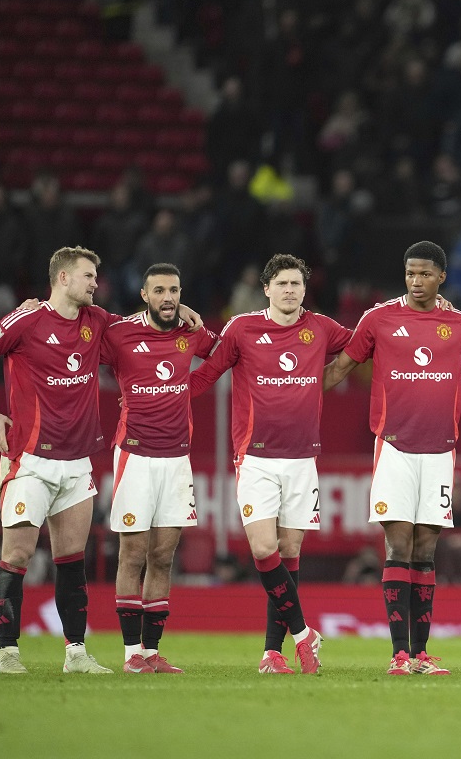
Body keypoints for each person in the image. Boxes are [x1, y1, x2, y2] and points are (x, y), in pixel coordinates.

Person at [0, 248, 144, 673]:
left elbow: (141, 330)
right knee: (18, 555)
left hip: (77, 461)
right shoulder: (26, 320)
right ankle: (8, 654)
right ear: (63, 277)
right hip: (30, 460)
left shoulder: (96, 322)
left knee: (71, 561)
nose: (96, 284)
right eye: (88, 276)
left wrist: (178, 309)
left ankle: (76, 654)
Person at [320, 241, 461, 675]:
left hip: (440, 451)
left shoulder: (459, 324)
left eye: (424, 274)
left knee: (426, 547)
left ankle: (420, 654)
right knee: (399, 544)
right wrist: (288, 391)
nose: (416, 282)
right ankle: (399, 654)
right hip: (395, 447)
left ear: (441, 276)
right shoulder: (378, 318)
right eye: (410, 273)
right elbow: (340, 368)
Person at [191, 253, 349, 675]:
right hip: (256, 457)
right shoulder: (243, 328)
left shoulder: (321, 328)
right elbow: (207, 373)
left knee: (290, 552)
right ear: (266, 289)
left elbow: (366, 342)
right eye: (282, 283)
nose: (290, 290)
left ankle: (271, 653)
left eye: (296, 284)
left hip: (302, 459)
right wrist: (159, 394)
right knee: (264, 549)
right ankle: (303, 636)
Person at [101, 263, 218, 673]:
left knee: (164, 557)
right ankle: (131, 653)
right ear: (145, 295)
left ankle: (151, 653)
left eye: (174, 290)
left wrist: (194, 386)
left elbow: (225, 353)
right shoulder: (119, 334)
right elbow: (72, 344)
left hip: (177, 459)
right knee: (132, 553)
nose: (167, 297)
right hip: (135, 456)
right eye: (159, 291)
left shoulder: (192, 334)